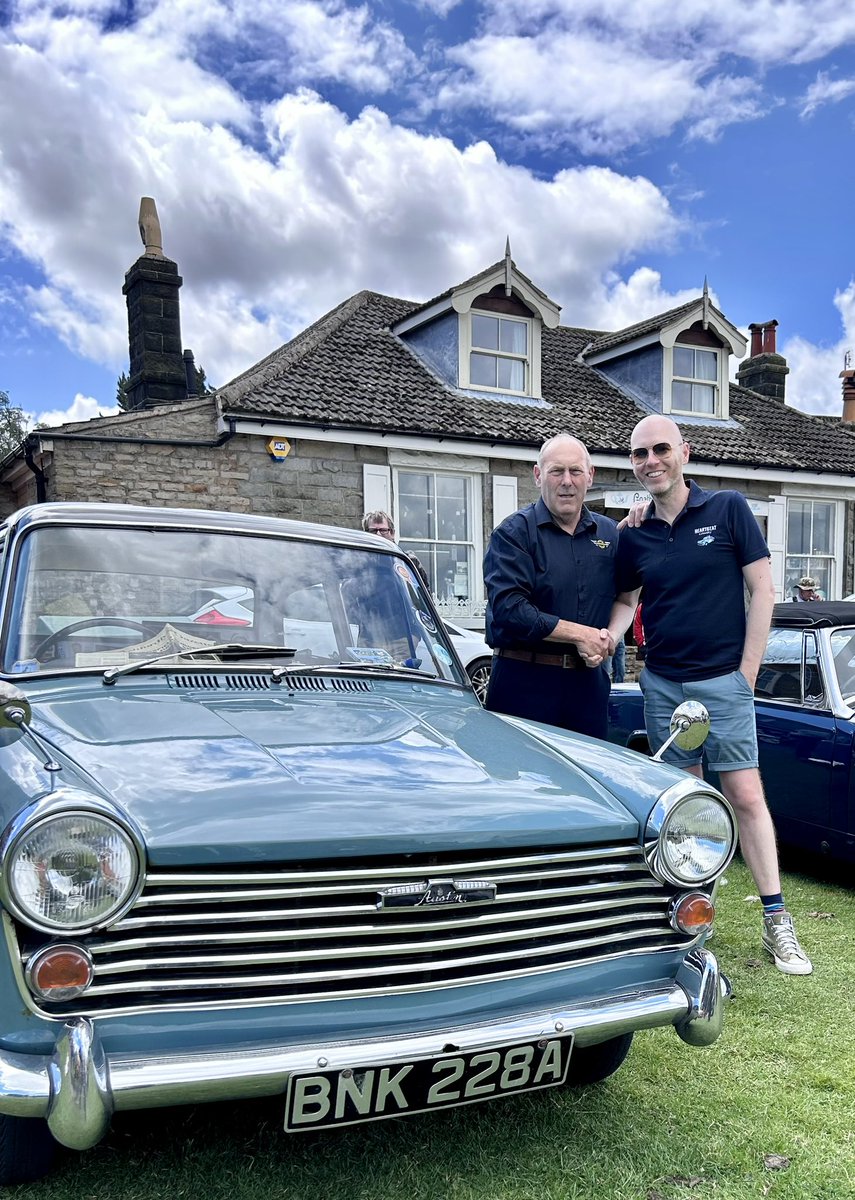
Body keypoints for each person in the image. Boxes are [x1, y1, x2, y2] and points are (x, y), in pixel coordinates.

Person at [607, 414, 811, 975]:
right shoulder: (634, 534)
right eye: (639, 453)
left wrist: (746, 674)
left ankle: (777, 923)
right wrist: (610, 637)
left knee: (745, 796)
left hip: (724, 681)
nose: (651, 461)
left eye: (660, 449)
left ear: (684, 453)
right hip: (663, 682)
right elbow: (627, 600)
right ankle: (694, 924)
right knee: (687, 808)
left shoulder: (729, 510)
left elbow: (763, 589)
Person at [483, 432, 618, 739]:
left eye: (575, 471)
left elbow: (629, 594)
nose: (567, 481)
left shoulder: (610, 534)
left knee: (588, 783)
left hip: (589, 687)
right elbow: (510, 610)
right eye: (557, 471)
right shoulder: (513, 534)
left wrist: (608, 638)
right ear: (538, 475)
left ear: (590, 476)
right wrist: (581, 635)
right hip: (523, 685)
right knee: (523, 783)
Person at [361, 511, 431, 589]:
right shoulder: (359, 564)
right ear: (366, 534)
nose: (378, 534)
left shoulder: (408, 562)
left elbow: (423, 594)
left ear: (392, 533)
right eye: (373, 531)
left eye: (383, 530)